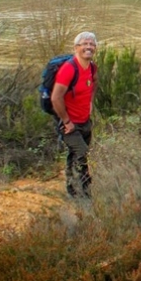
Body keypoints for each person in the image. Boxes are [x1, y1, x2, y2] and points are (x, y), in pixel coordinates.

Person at [52, 31, 98, 198]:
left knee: (75, 155)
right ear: (76, 47)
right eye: (85, 44)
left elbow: (94, 83)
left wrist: (90, 102)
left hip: (85, 121)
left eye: (92, 44)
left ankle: (72, 188)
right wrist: (66, 121)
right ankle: (84, 192)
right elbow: (56, 98)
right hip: (69, 124)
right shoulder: (69, 69)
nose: (89, 47)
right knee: (82, 153)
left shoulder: (92, 67)